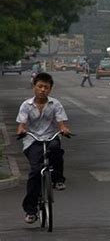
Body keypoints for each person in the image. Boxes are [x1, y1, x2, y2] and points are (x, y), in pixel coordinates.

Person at [16, 72, 71, 224]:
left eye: (46, 87)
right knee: (34, 172)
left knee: (56, 149)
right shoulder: (26, 105)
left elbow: (61, 123)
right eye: (40, 86)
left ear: (50, 89)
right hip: (32, 141)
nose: (42, 90)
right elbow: (22, 124)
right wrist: (21, 130)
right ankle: (31, 211)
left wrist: (64, 129)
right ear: (34, 87)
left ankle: (58, 179)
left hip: (50, 137)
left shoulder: (55, 104)